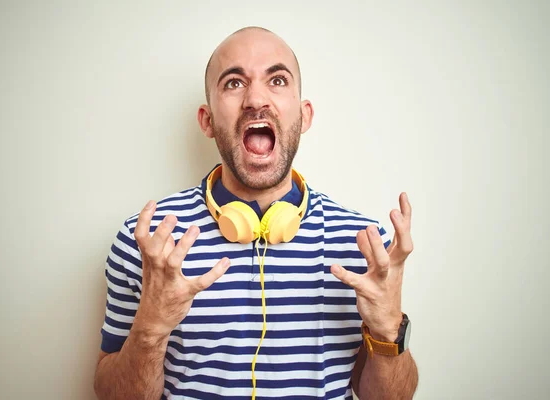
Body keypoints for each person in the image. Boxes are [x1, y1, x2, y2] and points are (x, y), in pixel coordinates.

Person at [93, 26, 418, 400]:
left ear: (304, 114)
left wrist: (387, 330)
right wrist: (150, 329)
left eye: (277, 80)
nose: (256, 99)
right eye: (233, 83)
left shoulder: (366, 244)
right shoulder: (147, 242)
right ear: (207, 120)